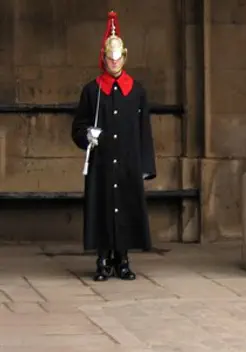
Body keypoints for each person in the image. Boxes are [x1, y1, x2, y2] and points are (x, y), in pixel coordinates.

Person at [71, 11, 156, 282]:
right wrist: (88, 136)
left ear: (125, 57)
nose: (114, 63)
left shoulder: (137, 91)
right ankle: (103, 259)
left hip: (128, 161)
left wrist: (145, 165)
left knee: (127, 209)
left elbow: (144, 131)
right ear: (103, 58)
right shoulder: (92, 91)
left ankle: (123, 259)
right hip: (103, 162)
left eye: (118, 58)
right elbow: (78, 127)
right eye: (110, 58)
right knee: (103, 208)